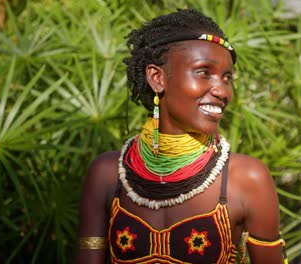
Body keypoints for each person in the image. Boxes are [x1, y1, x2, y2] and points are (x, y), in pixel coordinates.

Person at [74, 8, 286, 264]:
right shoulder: (108, 174)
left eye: (226, 77)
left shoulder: (247, 179)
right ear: (157, 78)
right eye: (203, 72)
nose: (222, 91)